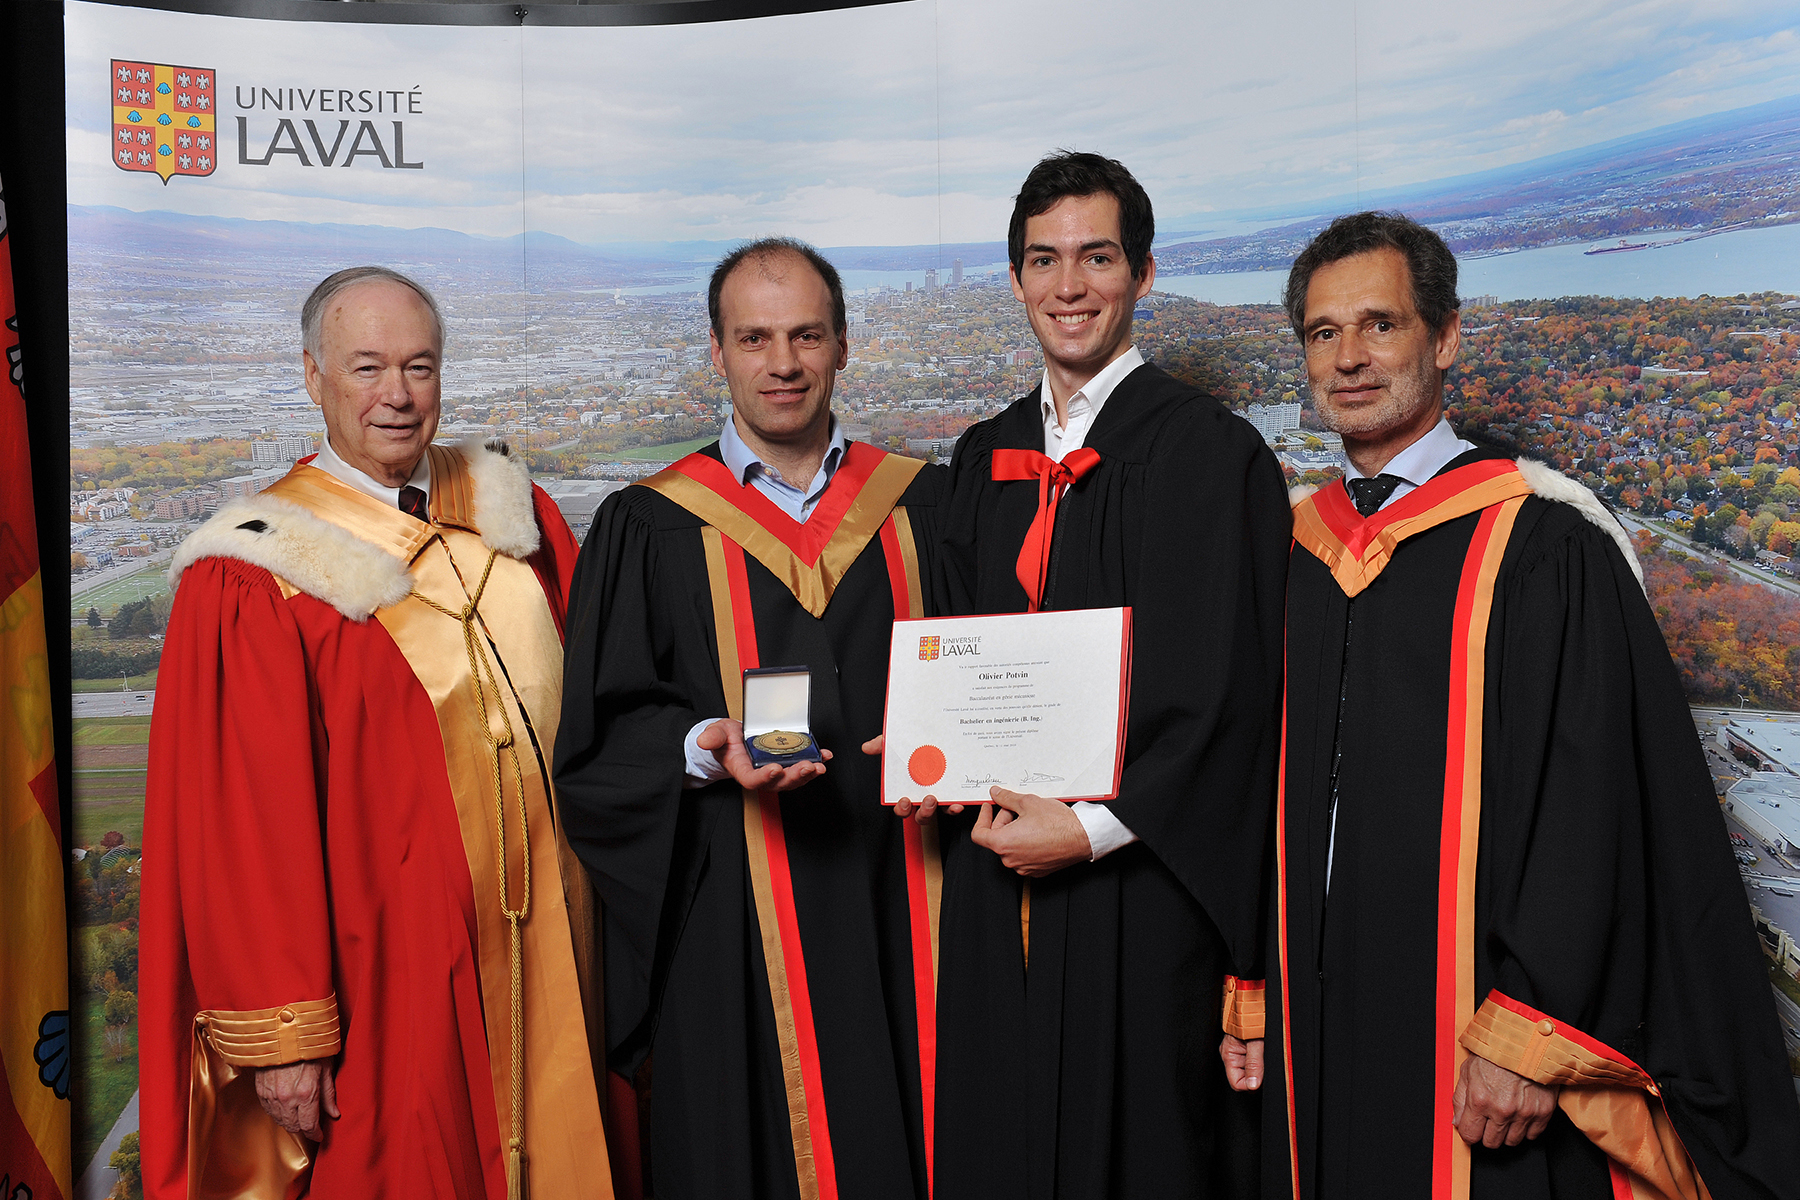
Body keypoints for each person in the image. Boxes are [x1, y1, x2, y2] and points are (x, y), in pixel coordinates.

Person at [1226, 210, 1800, 1200]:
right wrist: (1250, 985)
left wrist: (1532, 1025)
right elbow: (1250, 789)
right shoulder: (1291, 552)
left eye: (1381, 325)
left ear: (1445, 338)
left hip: (1481, 1035)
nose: (1349, 358)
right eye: (1323, 334)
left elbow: (1596, 804)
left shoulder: (1544, 544)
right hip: (1319, 1012)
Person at [140, 266, 612, 1199]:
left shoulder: (514, 515)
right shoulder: (260, 568)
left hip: (560, 947)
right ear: (312, 376)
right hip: (392, 982)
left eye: (419, 367)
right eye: (367, 368)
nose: (396, 395)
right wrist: (288, 1036)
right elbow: (246, 825)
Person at [908, 152, 1289, 1199]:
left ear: (1144, 275)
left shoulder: (1212, 458)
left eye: (1097, 257)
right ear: (1018, 280)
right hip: (993, 875)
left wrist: (1093, 828)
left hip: (1143, 888)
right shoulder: (983, 460)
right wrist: (916, 744)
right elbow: (951, 655)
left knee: (1141, 1150)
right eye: (1044, 260)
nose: (1069, 287)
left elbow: (1233, 698)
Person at [554, 238, 945, 1200]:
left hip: (918, 899)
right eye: (755, 338)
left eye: (807, 335)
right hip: (736, 925)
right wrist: (699, 747)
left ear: (844, 346)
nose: (783, 362)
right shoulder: (648, 528)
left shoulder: (925, 507)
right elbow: (598, 746)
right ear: (717, 353)